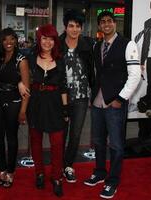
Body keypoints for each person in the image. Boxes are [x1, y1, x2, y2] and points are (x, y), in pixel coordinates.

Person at [84, 11, 141, 199]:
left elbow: (134, 76)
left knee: (116, 144)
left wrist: (121, 99)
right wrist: (93, 98)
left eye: (109, 21)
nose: (106, 24)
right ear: (99, 25)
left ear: (115, 23)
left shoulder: (128, 44)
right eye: (102, 22)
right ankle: (99, 172)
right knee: (98, 141)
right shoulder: (97, 46)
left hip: (115, 103)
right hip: (98, 102)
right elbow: (97, 74)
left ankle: (112, 181)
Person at [27, 24, 68, 197]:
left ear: (55, 41)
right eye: (44, 38)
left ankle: (57, 177)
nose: (47, 42)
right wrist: (21, 83)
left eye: (51, 39)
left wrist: (66, 110)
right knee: (35, 142)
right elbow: (21, 77)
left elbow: (63, 87)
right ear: (39, 39)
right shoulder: (29, 57)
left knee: (57, 144)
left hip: (55, 105)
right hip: (35, 104)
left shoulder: (60, 59)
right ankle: (40, 173)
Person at [0, 28, 29, 188]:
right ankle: (1, 169)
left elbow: (27, 90)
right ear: (1, 41)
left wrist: (23, 111)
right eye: (5, 39)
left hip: (14, 103)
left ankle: (11, 171)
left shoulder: (21, 59)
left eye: (12, 39)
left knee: (11, 138)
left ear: (16, 40)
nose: (9, 42)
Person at [59, 9, 94, 183]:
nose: (74, 29)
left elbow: (95, 71)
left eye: (77, 26)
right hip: (61, 98)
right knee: (60, 134)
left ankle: (68, 165)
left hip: (81, 98)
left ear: (81, 28)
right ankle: (59, 165)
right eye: (71, 26)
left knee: (75, 135)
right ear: (65, 27)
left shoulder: (87, 45)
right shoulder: (57, 45)